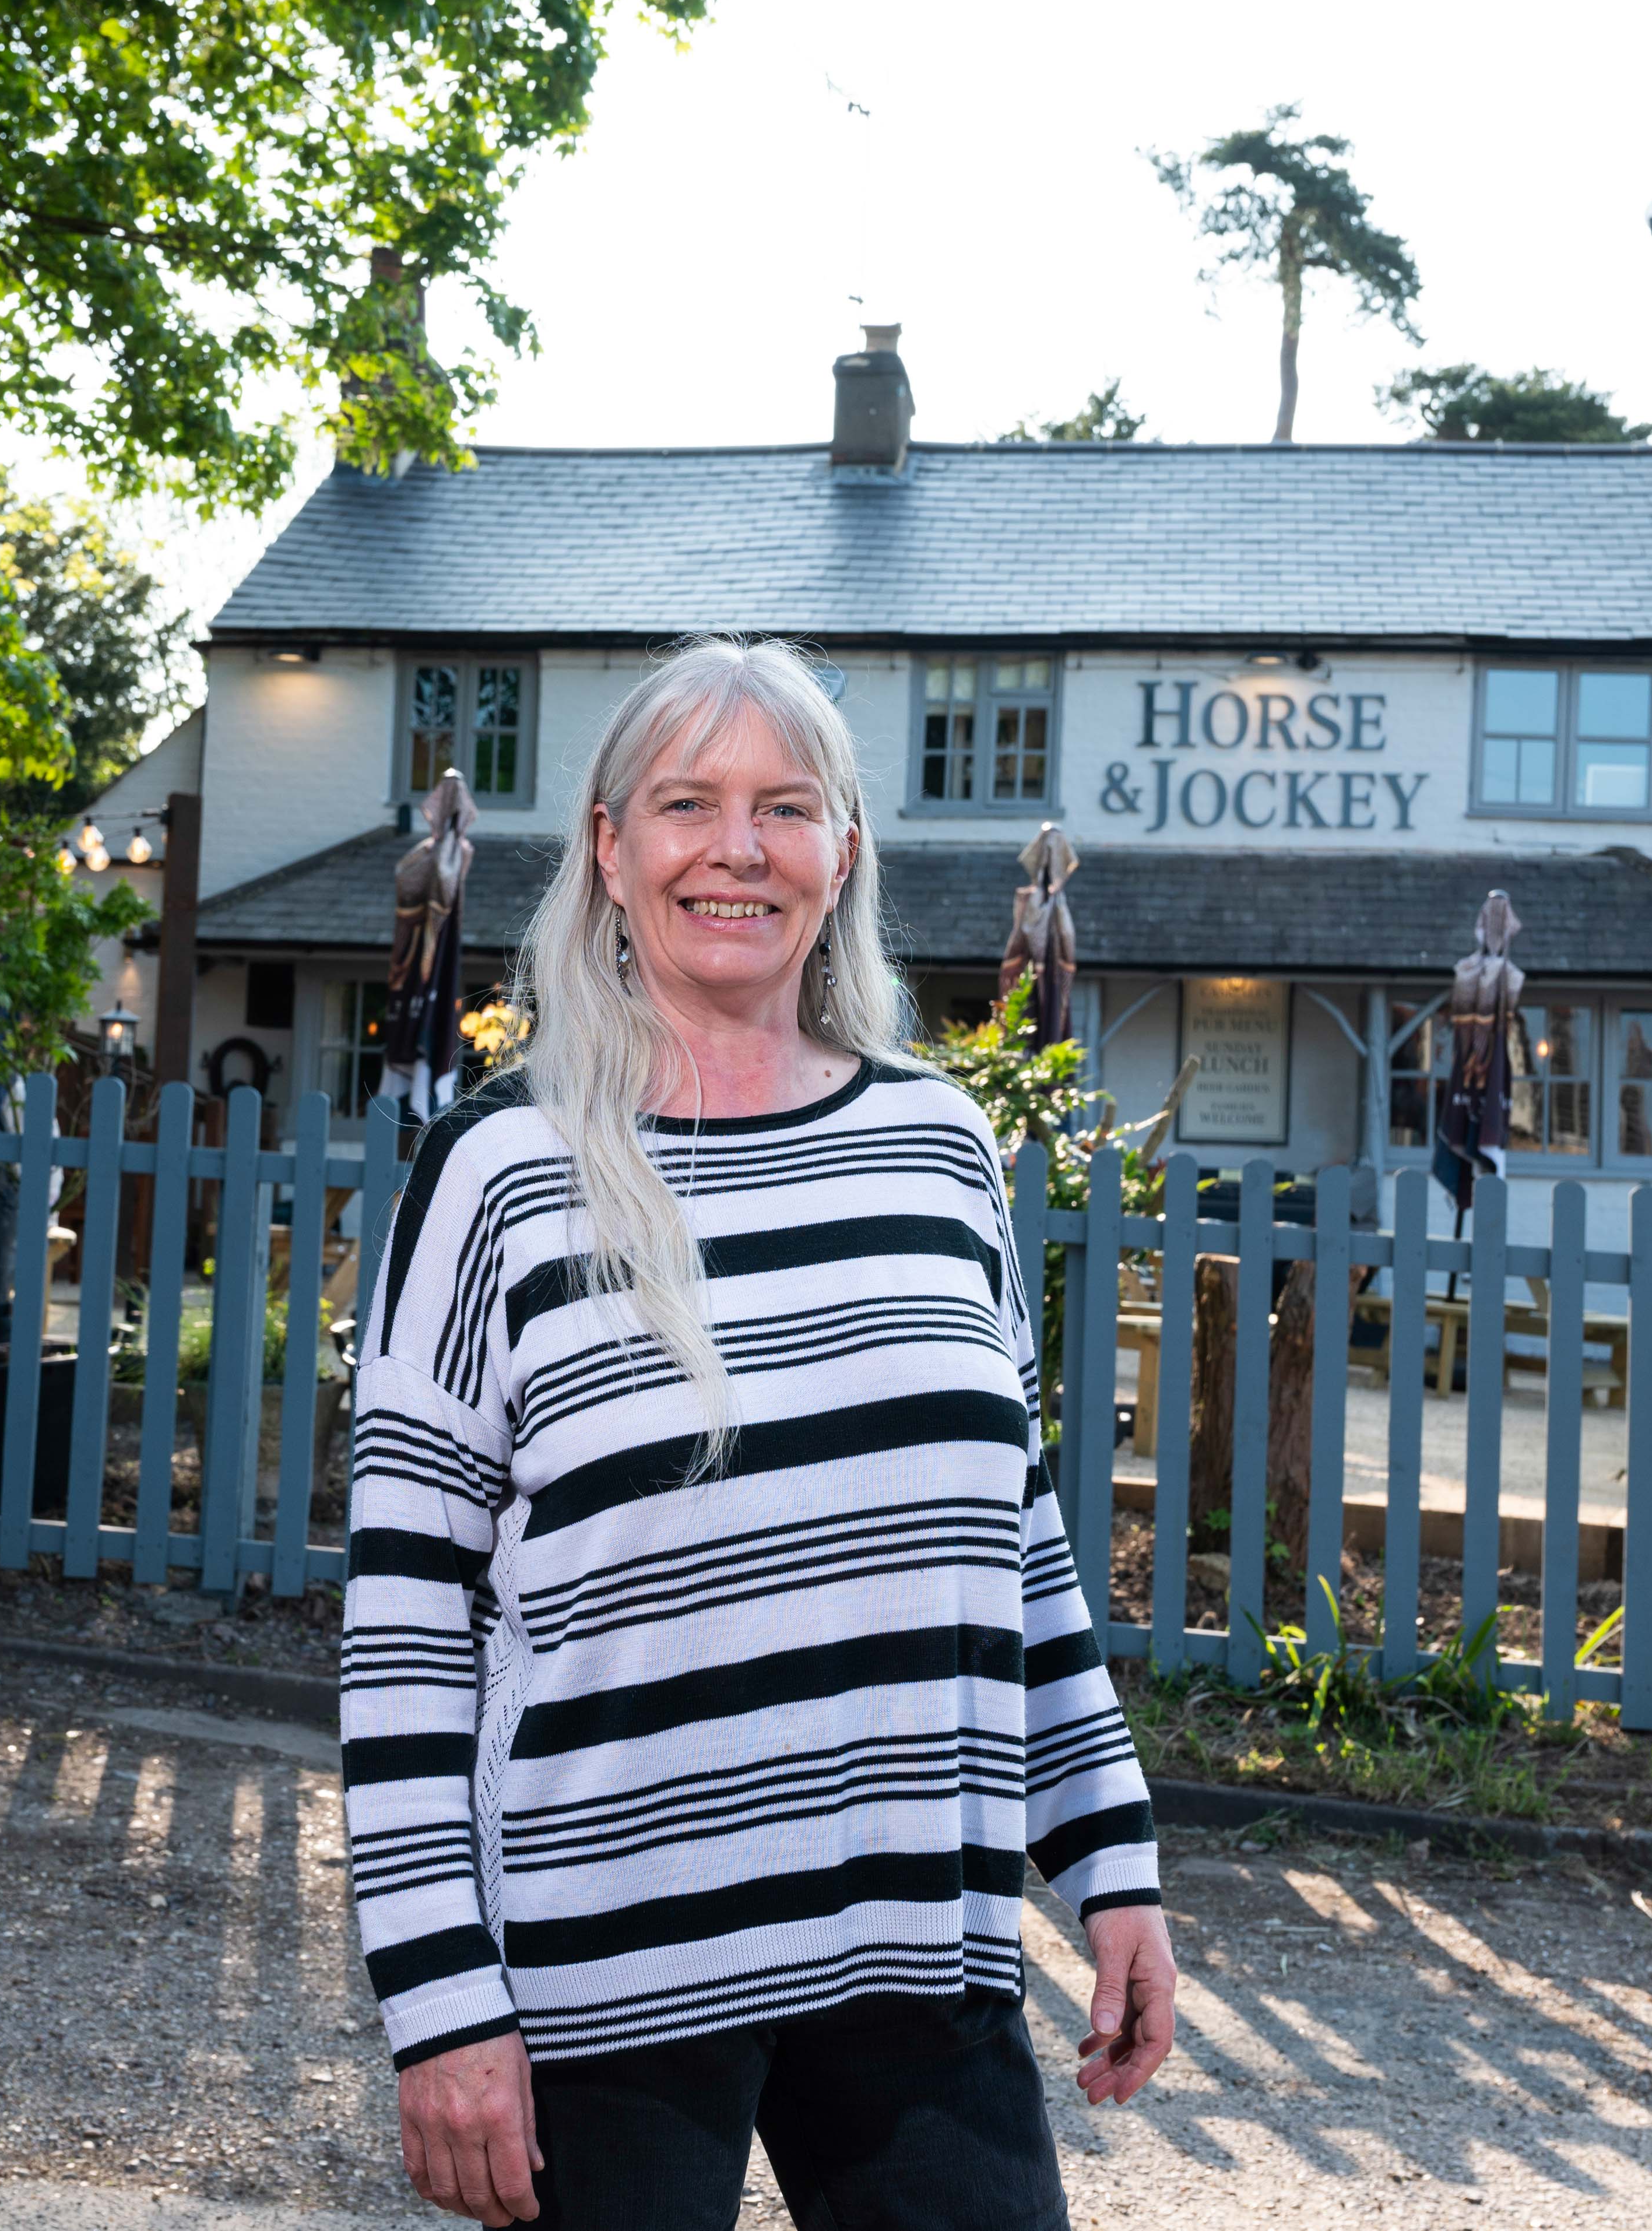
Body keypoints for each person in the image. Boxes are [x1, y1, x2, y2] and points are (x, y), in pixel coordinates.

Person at [342, 637, 1174, 2228]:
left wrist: (1108, 1858)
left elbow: (1021, 1546)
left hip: (916, 1951)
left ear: (843, 849)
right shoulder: (499, 1168)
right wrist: (441, 1999)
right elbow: (401, 1625)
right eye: (687, 804)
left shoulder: (938, 1148)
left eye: (786, 806)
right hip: (604, 1981)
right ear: (607, 844)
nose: (738, 849)